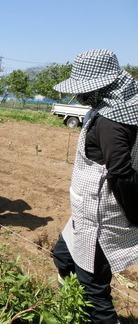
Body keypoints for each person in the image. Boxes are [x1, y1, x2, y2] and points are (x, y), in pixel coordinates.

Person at [51, 49, 138, 324]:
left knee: (94, 289)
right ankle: (71, 307)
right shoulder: (123, 106)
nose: (80, 95)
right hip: (86, 210)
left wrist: (135, 215)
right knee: (63, 256)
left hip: (101, 217)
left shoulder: (111, 121)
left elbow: (121, 174)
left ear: (103, 86)